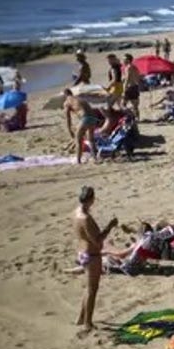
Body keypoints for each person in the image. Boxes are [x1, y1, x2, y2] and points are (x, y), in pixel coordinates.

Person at [73, 186, 117, 333]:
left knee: (88, 288)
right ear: (91, 199)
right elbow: (97, 240)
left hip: (82, 252)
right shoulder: (86, 219)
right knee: (93, 289)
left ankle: (81, 317)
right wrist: (110, 226)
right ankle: (88, 323)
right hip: (92, 255)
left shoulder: (76, 212)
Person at [63, 88, 103, 164]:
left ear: (65, 96)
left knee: (78, 139)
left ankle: (78, 161)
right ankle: (95, 158)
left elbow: (68, 118)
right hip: (93, 118)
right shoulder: (79, 98)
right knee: (91, 139)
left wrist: (70, 131)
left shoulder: (67, 102)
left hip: (86, 118)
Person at [121, 53, 142, 119]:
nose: (123, 61)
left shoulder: (128, 68)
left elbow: (128, 78)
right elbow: (138, 77)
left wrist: (124, 88)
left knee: (123, 104)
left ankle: (129, 116)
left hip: (129, 87)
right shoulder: (134, 67)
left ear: (128, 60)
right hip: (135, 87)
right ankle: (137, 117)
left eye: (124, 59)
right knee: (135, 105)